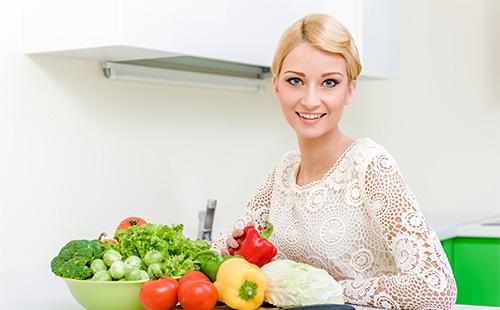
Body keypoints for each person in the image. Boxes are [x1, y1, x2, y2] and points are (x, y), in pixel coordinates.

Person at [212, 13, 457, 309]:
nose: (311, 100)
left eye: (329, 82)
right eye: (295, 81)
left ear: (350, 90)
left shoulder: (370, 166)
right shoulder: (284, 172)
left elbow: (435, 286)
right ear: (277, 86)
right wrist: (232, 252)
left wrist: (328, 291)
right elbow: (218, 253)